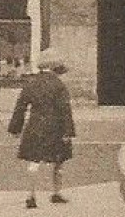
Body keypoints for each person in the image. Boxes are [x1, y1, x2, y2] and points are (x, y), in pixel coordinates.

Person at [9, 49, 76, 208]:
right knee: (59, 162)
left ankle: (31, 196)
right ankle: (56, 193)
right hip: (56, 127)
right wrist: (68, 131)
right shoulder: (59, 85)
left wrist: (15, 128)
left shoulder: (30, 83)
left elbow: (20, 107)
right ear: (55, 67)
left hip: (35, 126)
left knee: (34, 162)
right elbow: (65, 110)